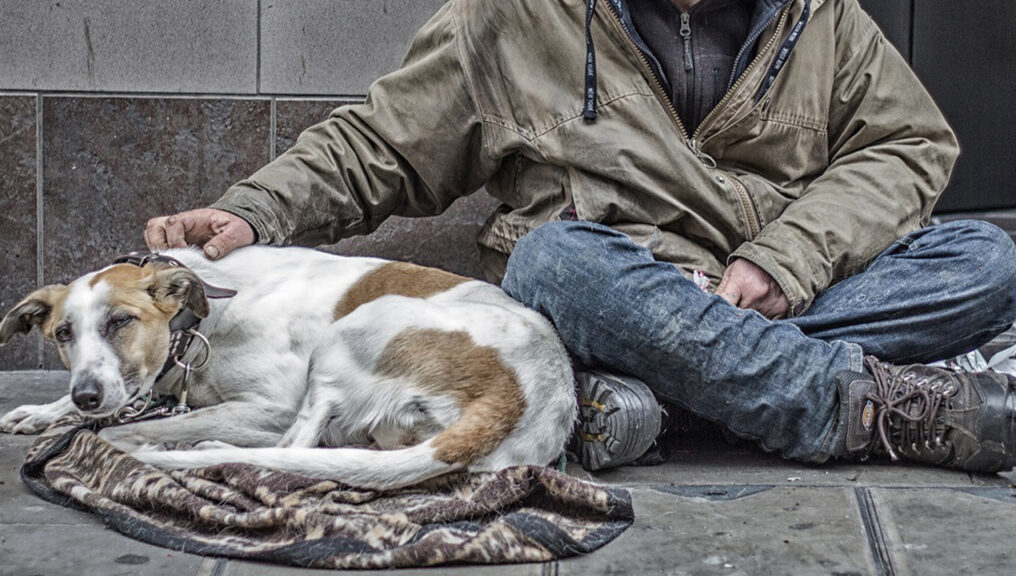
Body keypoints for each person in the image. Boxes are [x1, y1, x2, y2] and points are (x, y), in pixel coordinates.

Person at [145, 0, 1016, 473]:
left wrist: (782, 258)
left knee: (985, 261)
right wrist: (257, 209)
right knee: (553, 260)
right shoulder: (513, 16)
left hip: (777, 287)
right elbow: (382, 143)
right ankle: (863, 409)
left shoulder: (822, 18)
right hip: (610, 289)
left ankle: (653, 403)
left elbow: (909, 144)